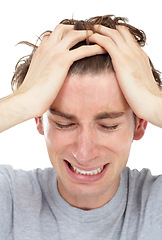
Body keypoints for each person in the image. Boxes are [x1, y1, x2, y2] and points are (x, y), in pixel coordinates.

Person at [0, 15, 162, 239]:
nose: (84, 153)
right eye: (64, 124)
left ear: (141, 123)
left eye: (108, 126)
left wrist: (153, 101)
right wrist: (25, 99)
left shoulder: (156, 203)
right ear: (38, 119)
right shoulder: (9, 198)